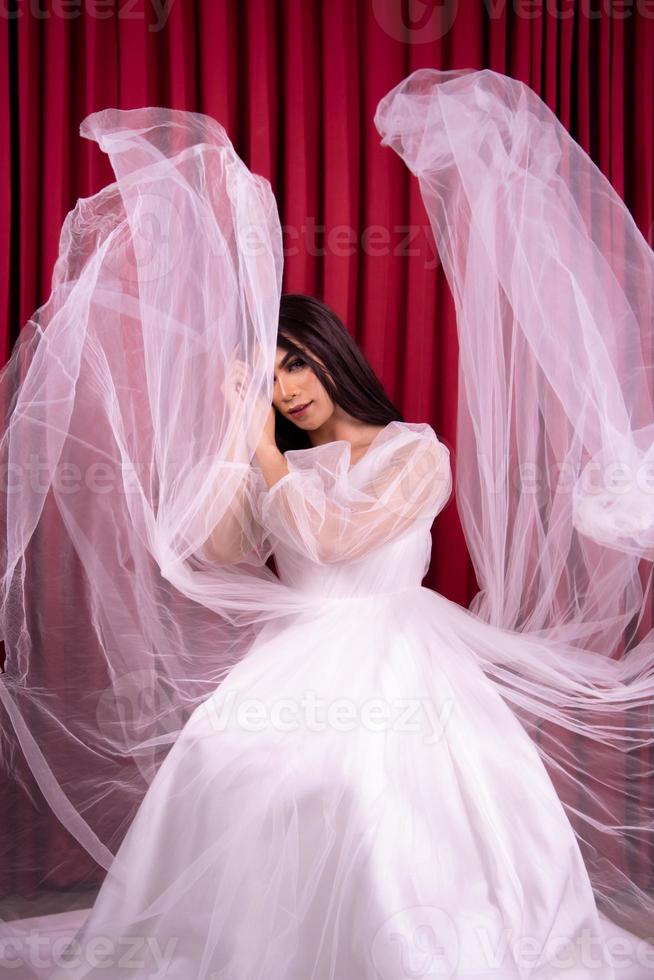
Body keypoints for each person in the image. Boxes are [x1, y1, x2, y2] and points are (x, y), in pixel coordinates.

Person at [1, 69, 653, 978]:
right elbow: (235, 556)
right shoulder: (278, 454)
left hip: (398, 654)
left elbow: (333, 541)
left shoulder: (414, 450)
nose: (288, 390)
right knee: (233, 773)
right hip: (293, 655)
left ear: (331, 355)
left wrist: (262, 451)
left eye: (296, 364)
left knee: (373, 798)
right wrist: (238, 440)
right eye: (269, 379)